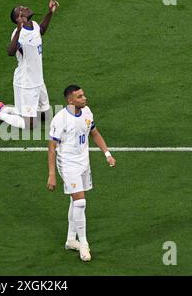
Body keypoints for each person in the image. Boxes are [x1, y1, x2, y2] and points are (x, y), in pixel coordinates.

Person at [47, 85, 116, 262]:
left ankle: (71, 240)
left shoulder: (87, 112)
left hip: (84, 163)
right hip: (68, 164)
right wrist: (52, 174)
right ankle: (83, 244)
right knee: (81, 202)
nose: (85, 98)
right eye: (80, 96)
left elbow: (94, 133)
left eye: (83, 95)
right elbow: (52, 148)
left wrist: (107, 154)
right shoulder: (60, 119)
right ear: (70, 100)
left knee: (75, 201)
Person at [0, 0, 60, 129]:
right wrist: (19, 29)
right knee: (30, 124)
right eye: (21, 9)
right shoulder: (19, 34)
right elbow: (10, 51)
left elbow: (42, 30)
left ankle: (2, 108)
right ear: (18, 18)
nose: (25, 8)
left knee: (45, 115)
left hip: (38, 79)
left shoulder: (34, 25)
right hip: (26, 82)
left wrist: (50, 12)